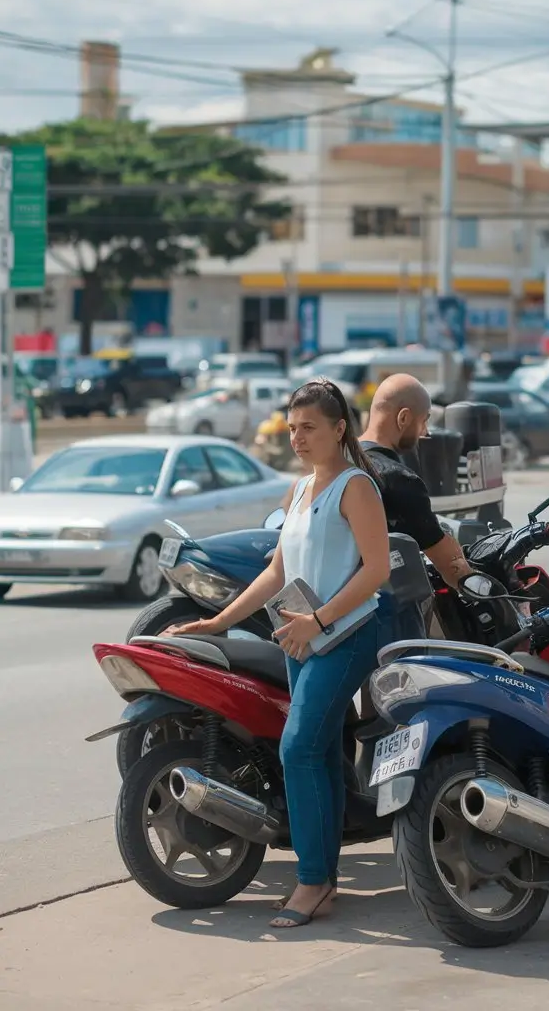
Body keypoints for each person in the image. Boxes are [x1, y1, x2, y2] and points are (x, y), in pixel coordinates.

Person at [168, 378, 390, 928]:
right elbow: (277, 571)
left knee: (298, 749)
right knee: (319, 754)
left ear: (340, 429)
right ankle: (326, 878)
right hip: (299, 635)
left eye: (309, 427)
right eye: (292, 428)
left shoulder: (356, 487)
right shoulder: (297, 491)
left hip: (345, 634)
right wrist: (220, 621)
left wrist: (318, 619)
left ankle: (313, 881)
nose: (297, 438)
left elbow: (378, 571)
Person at [359, 372, 473, 597]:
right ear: (403, 418)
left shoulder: (336, 463)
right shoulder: (398, 479)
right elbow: (448, 564)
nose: (426, 431)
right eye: (424, 420)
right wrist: (474, 580)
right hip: (383, 613)